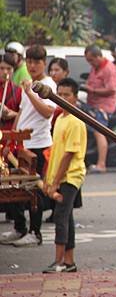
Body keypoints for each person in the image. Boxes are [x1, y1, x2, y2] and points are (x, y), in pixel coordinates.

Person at [9, 45, 57, 247]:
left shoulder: (48, 84)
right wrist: (11, 138)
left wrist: (29, 92)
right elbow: (21, 113)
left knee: (34, 192)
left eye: (36, 62)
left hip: (39, 144)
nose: (32, 65)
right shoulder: (27, 83)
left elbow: (47, 112)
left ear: (44, 63)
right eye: (29, 61)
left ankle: (35, 232)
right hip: (22, 144)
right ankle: (20, 228)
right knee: (18, 189)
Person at [42, 78, 87, 273]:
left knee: (60, 217)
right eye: (59, 94)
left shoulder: (75, 121)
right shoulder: (60, 118)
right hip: (59, 176)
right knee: (66, 217)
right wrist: (48, 178)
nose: (62, 98)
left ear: (75, 98)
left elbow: (68, 155)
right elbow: (56, 153)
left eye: (66, 94)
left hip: (71, 176)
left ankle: (59, 261)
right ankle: (69, 262)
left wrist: (56, 182)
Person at [83, 45, 116, 173]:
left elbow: (112, 89)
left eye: (92, 60)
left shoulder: (108, 69)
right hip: (92, 104)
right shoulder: (95, 67)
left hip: (103, 107)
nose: (90, 63)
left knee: (100, 132)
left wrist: (92, 90)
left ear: (99, 56)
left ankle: (101, 164)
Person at [0, 53, 22, 130]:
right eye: (1, 68)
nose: (5, 72)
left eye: (9, 69)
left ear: (13, 70)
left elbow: (25, 114)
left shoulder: (19, 91)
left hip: (10, 136)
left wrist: (14, 114)